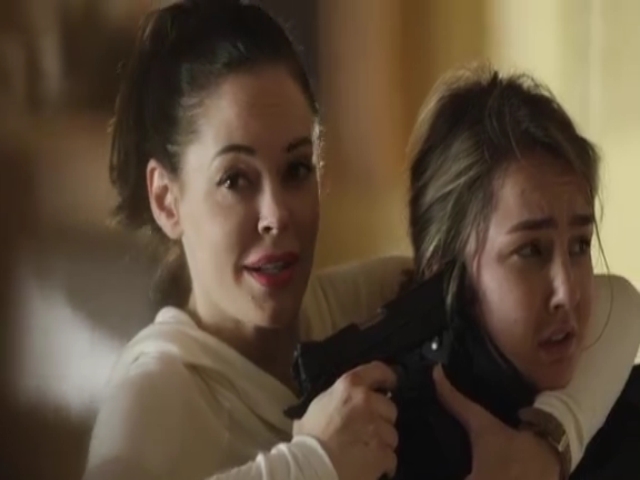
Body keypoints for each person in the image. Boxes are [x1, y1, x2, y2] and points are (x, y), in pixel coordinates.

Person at [82, 2, 640, 480]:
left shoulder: (351, 308)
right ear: (166, 200)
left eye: (297, 169)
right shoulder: (154, 394)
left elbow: (616, 303)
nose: (276, 214)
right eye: (235, 180)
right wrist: (314, 462)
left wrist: (548, 446)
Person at [395, 64, 640, 479]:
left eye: (580, 245)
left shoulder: (626, 416)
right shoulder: (387, 445)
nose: (568, 292)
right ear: (445, 270)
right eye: (531, 251)